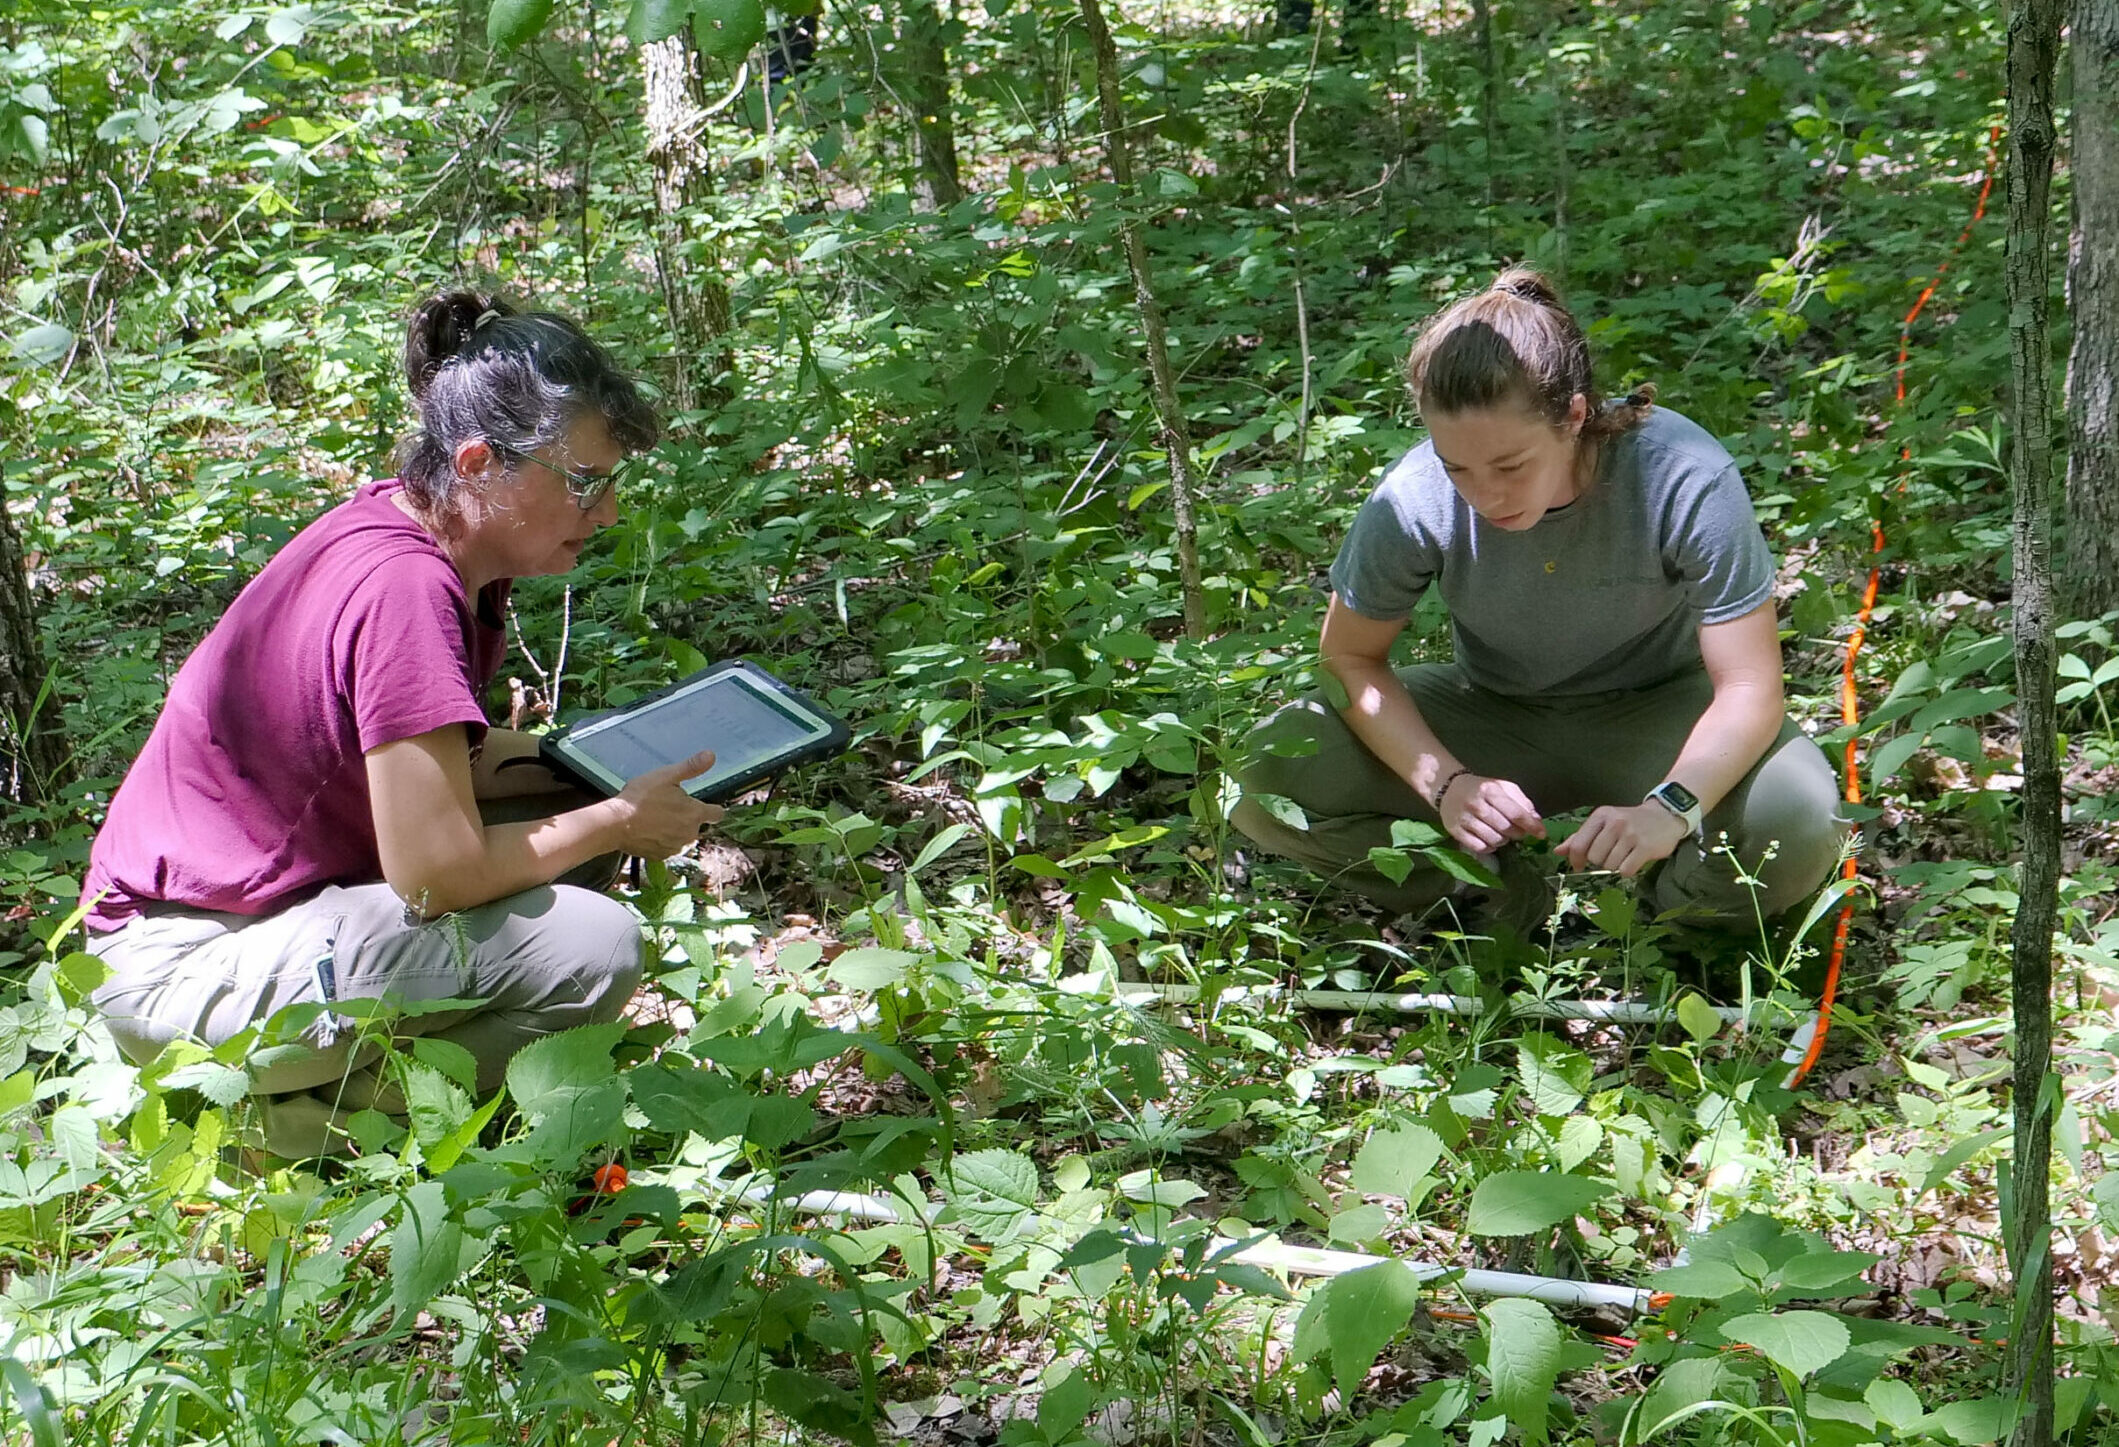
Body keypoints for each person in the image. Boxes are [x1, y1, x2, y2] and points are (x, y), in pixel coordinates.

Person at [81, 290, 722, 1159]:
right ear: (480, 461)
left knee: (571, 802)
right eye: (584, 482)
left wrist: (585, 765)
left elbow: (425, 754)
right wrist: (620, 816)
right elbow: (433, 878)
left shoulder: (428, 532)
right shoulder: (403, 589)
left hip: (228, 925)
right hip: (181, 962)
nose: (605, 512)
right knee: (594, 943)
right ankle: (280, 1132)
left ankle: (390, 1099)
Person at [1231, 268, 1843, 940]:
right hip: (1492, 710)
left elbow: (1751, 686)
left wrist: (1670, 807)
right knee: (1264, 772)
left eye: (1510, 465)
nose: (1483, 494)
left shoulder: (1680, 472)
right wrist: (1446, 784)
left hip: (1660, 712)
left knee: (1797, 815)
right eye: (1456, 467)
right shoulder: (1411, 497)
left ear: (1574, 416)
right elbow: (1348, 659)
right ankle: (1489, 898)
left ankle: (1658, 933)